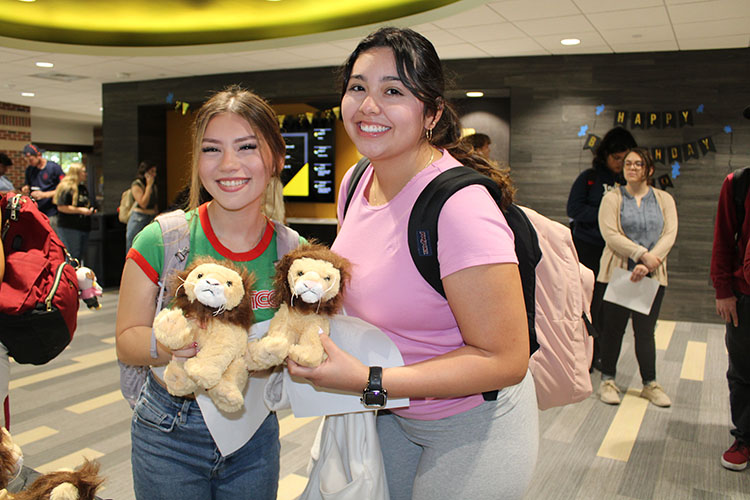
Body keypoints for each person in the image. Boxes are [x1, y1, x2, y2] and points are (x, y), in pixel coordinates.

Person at [287, 27, 538, 500]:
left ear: (433, 113)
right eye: (358, 87)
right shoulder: (356, 181)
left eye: (393, 91)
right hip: (392, 413)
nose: (368, 106)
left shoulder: (459, 207)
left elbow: (507, 359)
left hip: (472, 423)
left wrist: (368, 382)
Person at [115, 85, 296, 500]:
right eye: (212, 149)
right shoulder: (162, 239)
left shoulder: (291, 253)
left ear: (276, 160)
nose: (228, 164)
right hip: (168, 432)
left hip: (254, 434)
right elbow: (127, 342)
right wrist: (179, 346)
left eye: (247, 146)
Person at [595, 147, 677, 407]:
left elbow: (669, 234)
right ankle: (608, 380)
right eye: (628, 164)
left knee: (645, 331)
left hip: (652, 274)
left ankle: (650, 384)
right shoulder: (612, 198)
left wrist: (650, 262)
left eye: (637, 164)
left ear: (649, 170)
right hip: (618, 272)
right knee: (613, 330)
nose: (631, 168)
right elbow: (611, 235)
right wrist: (642, 254)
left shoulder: (664, 199)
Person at [567, 127, 637, 369]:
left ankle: (602, 356)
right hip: (589, 248)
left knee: (613, 307)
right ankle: (582, 354)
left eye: (625, 159)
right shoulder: (590, 177)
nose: (620, 164)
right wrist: (606, 216)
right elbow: (574, 210)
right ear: (605, 155)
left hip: (618, 254)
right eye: (616, 158)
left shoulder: (629, 184)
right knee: (587, 304)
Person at [710, 109, 750, 471]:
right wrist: (724, 290)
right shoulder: (738, 183)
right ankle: (744, 436)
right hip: (744, 295)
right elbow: (724, 240)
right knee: (742, 369)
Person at [52, 163, 95, 262]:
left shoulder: (82, 188)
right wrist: (80, 210)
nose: (86, 174)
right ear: (77, 173)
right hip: (69, 227)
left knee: (80, 256)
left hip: (83, 227)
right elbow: (61, 207)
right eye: (84, 171)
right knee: (72, 256)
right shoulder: (66, 188)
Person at [20, 144, 64, 228]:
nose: (29, 162)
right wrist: (26, 188)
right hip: (35, 211)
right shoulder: (30, 169)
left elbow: (64, 188)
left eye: (31, 160)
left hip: (51, 213)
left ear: (39, 155)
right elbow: (27, 184)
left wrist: (44, 195)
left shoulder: (54, 168)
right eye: (27, 160)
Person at [125, 161, 159, 252]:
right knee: (134, 248)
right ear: (145, 172)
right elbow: (143, 203)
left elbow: (155, 205)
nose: (154, 175)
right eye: (152, 172)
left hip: (151, 219)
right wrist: (148, 186)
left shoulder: (154, 186)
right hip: (139, 219)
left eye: (155, 172)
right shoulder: (137, 184)